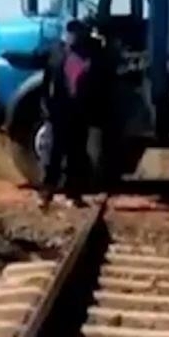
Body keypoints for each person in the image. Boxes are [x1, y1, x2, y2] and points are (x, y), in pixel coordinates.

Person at [39, 19, 98, 208]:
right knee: (54, 152)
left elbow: (98, 84)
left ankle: (74, 194)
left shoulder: (90, 55)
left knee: (77, 154)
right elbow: (47, 80)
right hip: (59, 110)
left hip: (80, 112)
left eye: (77, 32)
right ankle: (46, 193)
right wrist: (46, 105)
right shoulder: (57, 53)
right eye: (70, 31)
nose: (73, 35)